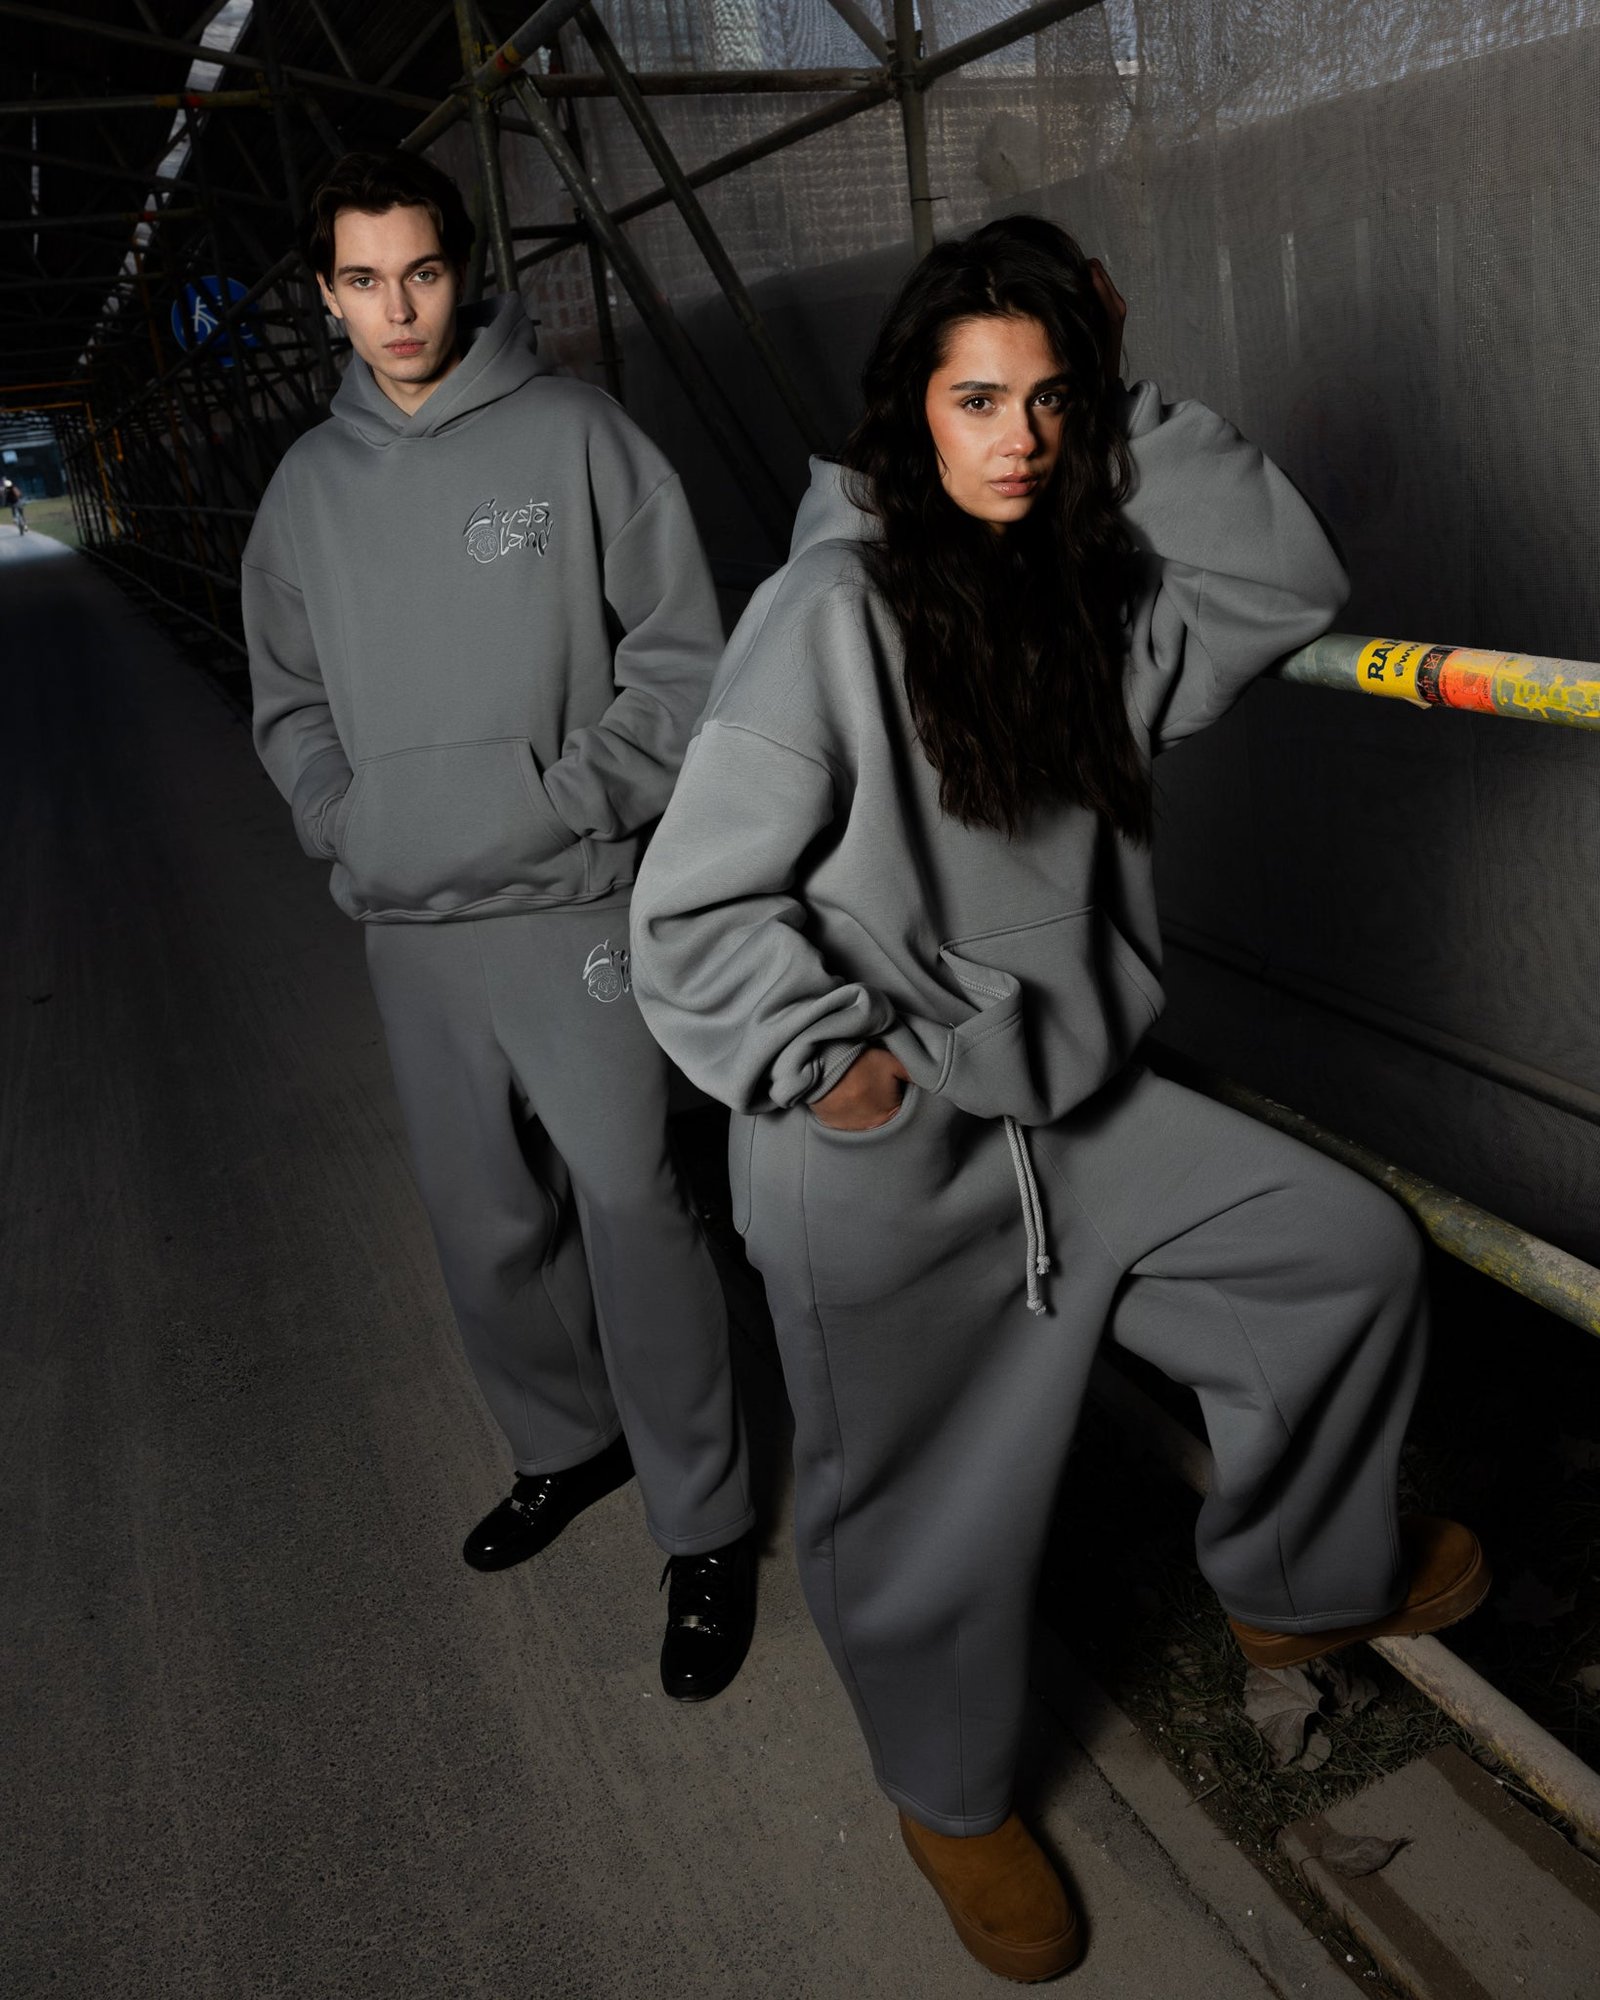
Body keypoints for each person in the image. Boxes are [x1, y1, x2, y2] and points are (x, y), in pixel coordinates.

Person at [630, 216, 1489, 1977]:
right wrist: (839, 1070)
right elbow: (691, 916)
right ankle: (948, 1796)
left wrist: (1116, 377)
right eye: (976, 400)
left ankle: (1296, 1588)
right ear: (909, 414)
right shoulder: (825, 611)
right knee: (919, 1518)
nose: (1017, 438)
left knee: (1337, 1257)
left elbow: (1283, 576)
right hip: (880, 1150)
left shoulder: (1088, 597)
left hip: (1075, 1111)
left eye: (1050, 402)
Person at [242, 150, 755, 1702]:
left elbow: (684, 658)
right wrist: (348, 821)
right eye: (362, 280)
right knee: (483, 1222)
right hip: (411, 926)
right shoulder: (304, 492)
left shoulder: (577, 436)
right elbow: (289, 700)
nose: (397, 309)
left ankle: (707, 1521)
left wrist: (572, 798)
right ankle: (566, 1442)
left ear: (462, 269)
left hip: (572, 905)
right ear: (327, 294)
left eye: (420, 271)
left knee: (634, 1207)